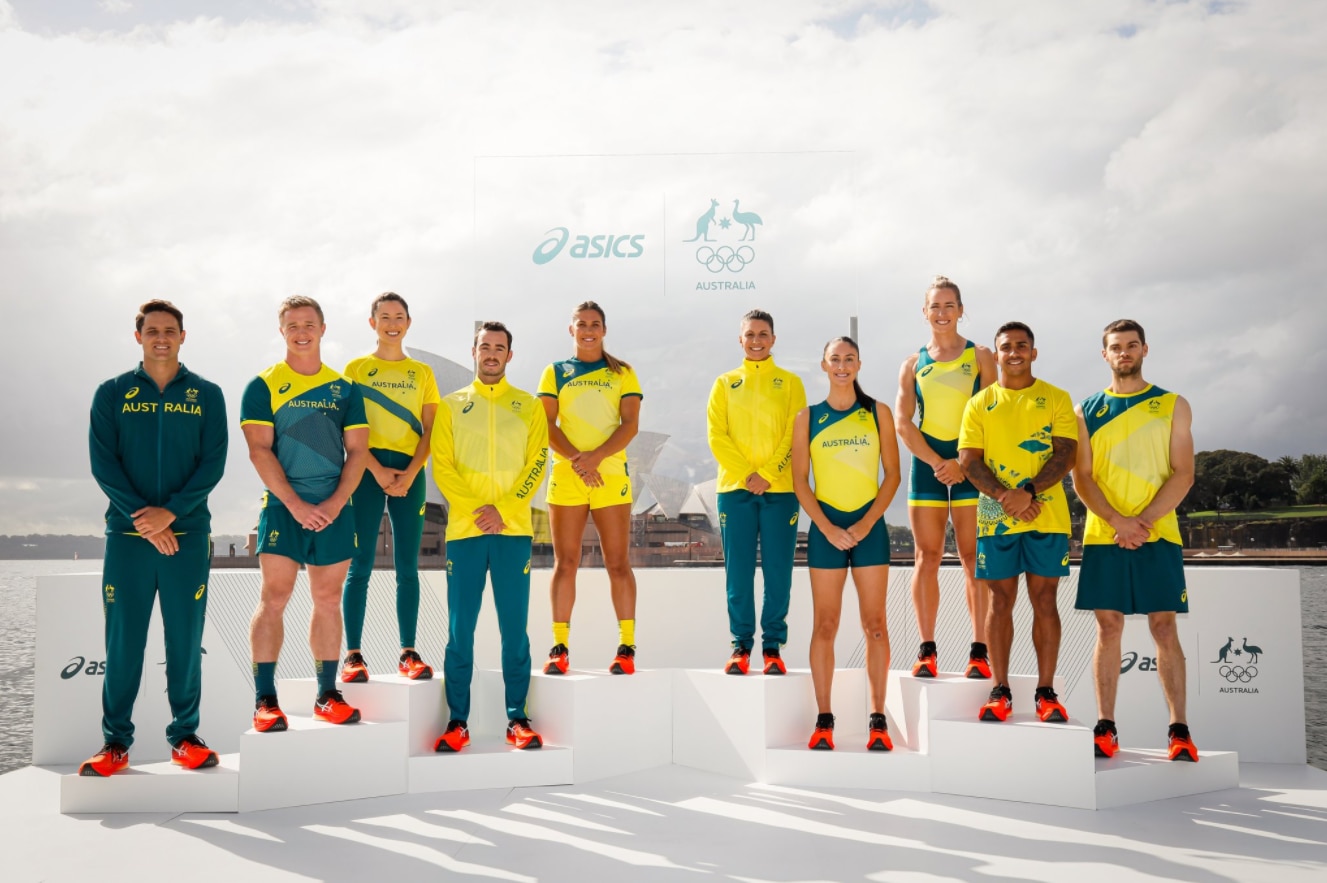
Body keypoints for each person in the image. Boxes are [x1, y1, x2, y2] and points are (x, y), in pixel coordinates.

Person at [81, 300, 228, 776]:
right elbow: (104, 465)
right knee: (124, 643)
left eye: (170, 330)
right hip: (128, 537)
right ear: (138, 336)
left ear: (183, 336)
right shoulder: (112, 393)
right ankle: (114, 743)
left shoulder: (207, 395)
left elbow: (213, 464)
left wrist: (172, 515)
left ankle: (184, 737)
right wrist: (145, 521)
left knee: (185, 640)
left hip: (187, 536)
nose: (160, 337)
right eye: (152, 331)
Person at [241, 296, 370, 732]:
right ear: (282, 331)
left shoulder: (344, 389)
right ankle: (265, 700)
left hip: (335, 507)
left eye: (309, 324)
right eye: (293, 325)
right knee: (274, 599)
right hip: (282, 508)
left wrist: (332, 504)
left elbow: (357, 452)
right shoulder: (263, 386)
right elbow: (259, 450)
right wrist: (296, 505)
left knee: (329, 600)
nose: (301, 332)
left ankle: (327, 694)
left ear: (322, 328)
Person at [1072, 320, 1198, 761]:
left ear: (1144, 349)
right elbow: (1081, 477)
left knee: (1164, 628)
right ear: (1103, 354)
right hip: (1104, 535)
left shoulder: (1173, 405)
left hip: (1157, 532)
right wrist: (1115, 521)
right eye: (1115, 347)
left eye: (1130, 346)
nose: (1123, 353)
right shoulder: (1084, 411)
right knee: (1108, 628)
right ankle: (1106, 727)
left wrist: (1140, 521)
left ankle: (1178, 730)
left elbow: (1184, 473)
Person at [431, 322, 549, 752]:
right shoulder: (450, 405)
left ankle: (517, 719)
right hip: (465, 532)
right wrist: (476, 511)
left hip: (513, 531)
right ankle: (457, 722)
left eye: (500, 348)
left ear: (510, 355)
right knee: (460, 631)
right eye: (485, 347)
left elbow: (537, 463)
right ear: (474, 351)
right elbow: (441, 466)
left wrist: (504, 509)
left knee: (514, 631)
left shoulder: (529, 406)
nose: (492, 354)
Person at [957, 322, 1077, 723]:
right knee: (999, 601)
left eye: (1021, 346)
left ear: (1033, 352)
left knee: (1045, 601)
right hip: (996, 516)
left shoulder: (1057, 398)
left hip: (1047, 514)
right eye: (1006, 347)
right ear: (996, 354)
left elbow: (1065, 455)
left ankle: (1045, 692)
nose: (1014, 352)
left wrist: (1027, 491)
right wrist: (1007, 498)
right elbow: (969, 461)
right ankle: (1001, 689)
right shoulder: (979, 404)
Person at [792, 337, 901, 751]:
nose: (842, 366)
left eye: (849, 359)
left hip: (868, 529)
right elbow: (800, 480)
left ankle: (877, 718)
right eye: (834, 359)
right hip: (826, 531)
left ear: (859, 364)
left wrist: (866, 522)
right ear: (823, 365)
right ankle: (824, 719)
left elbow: (892, 475)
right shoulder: (808, 417)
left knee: (875, 626)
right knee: (826, 625)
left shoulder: (878, 413)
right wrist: (827, 527)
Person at [895, 276, 996, 679]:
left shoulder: (981, 356)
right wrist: (940, 462)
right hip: (928, 467)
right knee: (928, 557)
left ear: (960, 309)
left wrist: (962, 461)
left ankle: (979, 650)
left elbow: (992, 411)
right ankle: (927, 649)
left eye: (949, 305)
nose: (941, 313)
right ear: (925, 312)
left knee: (974, 559)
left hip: (972, 465)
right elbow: (903, 423)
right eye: (934, 306)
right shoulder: (913, 364)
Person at [339, 292, 440, 683]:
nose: (392, 323)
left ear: (408, 323)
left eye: (399, 316)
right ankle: (353, 655)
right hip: (366, 470)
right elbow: (348, 428)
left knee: (407, 567)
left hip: (410, 471)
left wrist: (413, 472)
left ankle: (408, 652)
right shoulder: (356, 368)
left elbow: (430, 429)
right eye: (384, 316)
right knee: (359, 564)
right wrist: (377, 469)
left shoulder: (422, 373)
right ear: (372, 323)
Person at [538, 301, 642, 676]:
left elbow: (630, 425)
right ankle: (559, 647)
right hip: (567, 477)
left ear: (604, 330)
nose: (588, 330)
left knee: (618, 563)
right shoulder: (554, 372)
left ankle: (626, 647)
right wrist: (578, 461)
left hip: (609, 476)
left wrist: (595, 458)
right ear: (571, 330)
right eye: (581, 324)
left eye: (595, 324)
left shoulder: (623, 372)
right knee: (566, 563)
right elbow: (547, 426)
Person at [707, 310, 808, 675]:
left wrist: (767, 473)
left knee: (779, 572)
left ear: (773, 339)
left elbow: (794, 434)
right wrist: (747, 474)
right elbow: (717, 435)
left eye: (763, 334)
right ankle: (740, 645)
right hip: (735, 491)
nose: (756, 340)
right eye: (749, 334)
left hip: (779, 491)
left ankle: (772, 647)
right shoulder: (724, 383)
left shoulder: (791, 383)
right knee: (739, 573)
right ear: (740, 340)